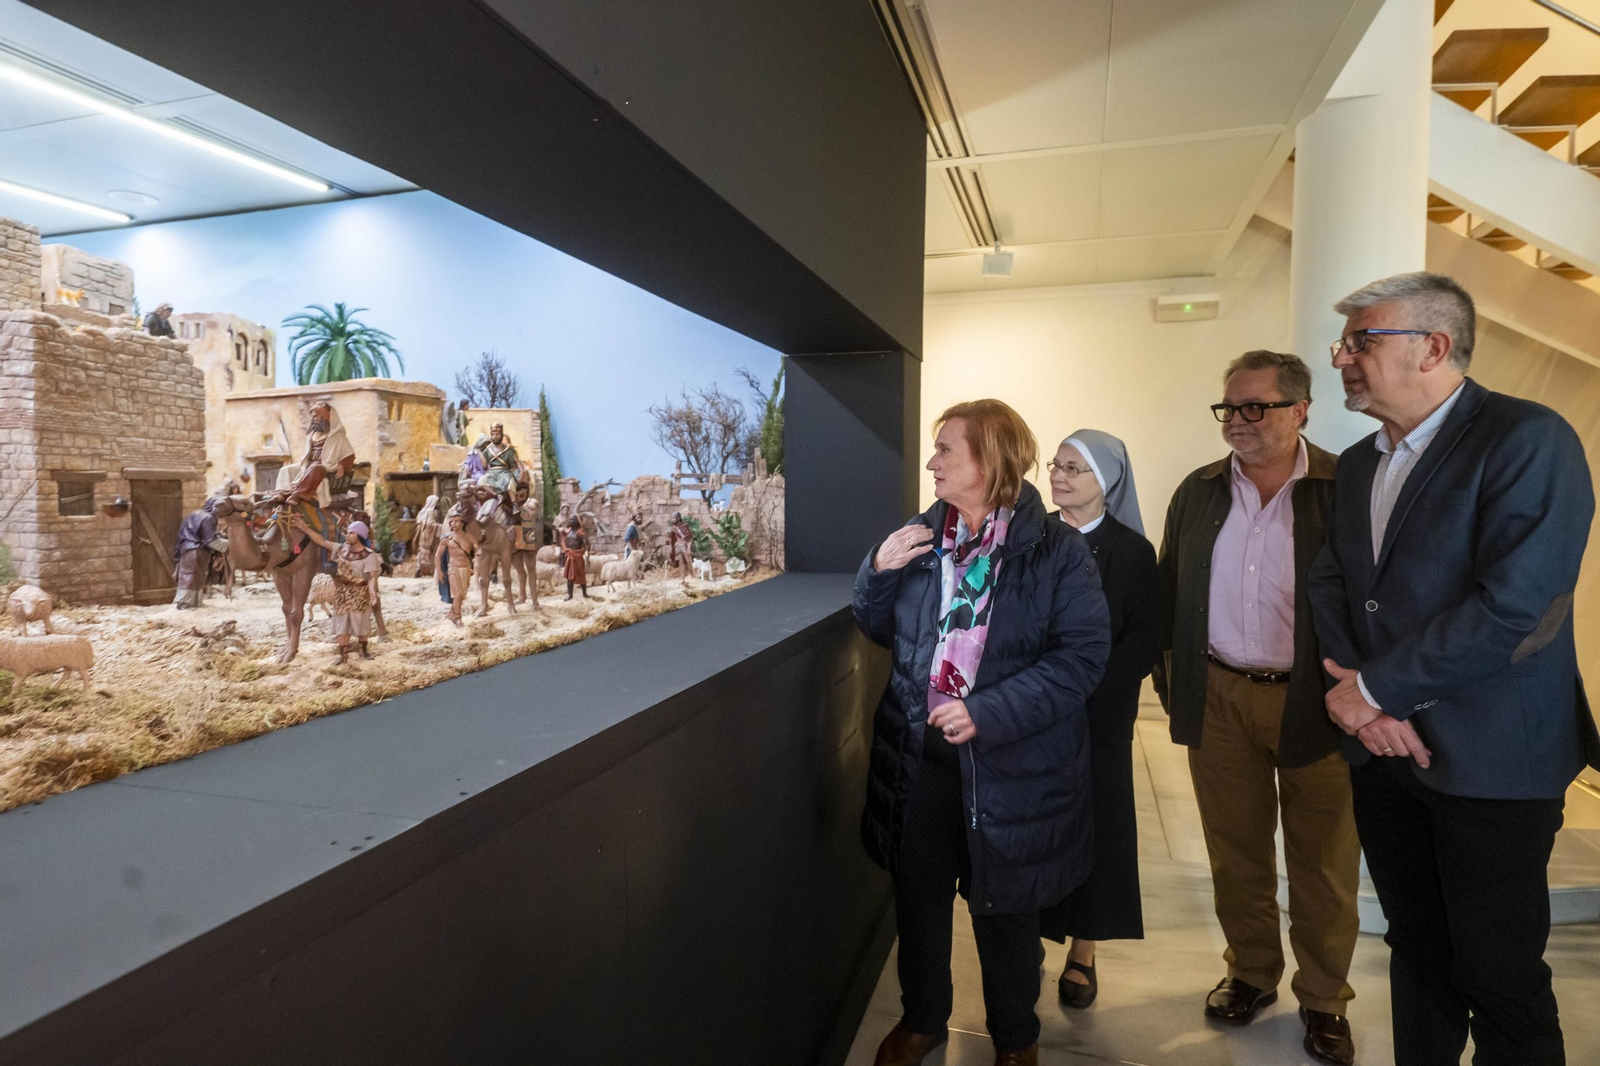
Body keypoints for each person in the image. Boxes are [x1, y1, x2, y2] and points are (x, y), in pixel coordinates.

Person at [1308, 272, 1598, 1066]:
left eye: (1362, 341)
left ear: (1434, 347)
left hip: (1496, 758)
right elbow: (1336, 578)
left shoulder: (1529, 438)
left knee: (1498, 971)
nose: (1342, 358)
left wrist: (1371, 691)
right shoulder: (1366, 462)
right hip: (1387, 755)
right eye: (1347, 343)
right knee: (1419, 952)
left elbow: (1515, 610)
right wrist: (1370, 706)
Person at [854, 399, 1110, 1066]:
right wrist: (875, 574)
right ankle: (922, 1020)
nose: (932, 461)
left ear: (989, 461)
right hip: (918, 760)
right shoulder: (919, 535)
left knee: (1005, 913)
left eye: (946, 449)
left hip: (1011, 767)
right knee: (920, 902)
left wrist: (989, 711)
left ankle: (1016, 1041)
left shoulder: (1058, 551)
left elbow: (1081, 658)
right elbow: (877, 625)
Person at [1152, 351, 1356, 1066]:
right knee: (1235, 852)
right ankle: (1250, 973)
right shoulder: (1199, 492)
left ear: (1300, 409)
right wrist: (1173, 681)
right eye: (1228, 409)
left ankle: (1326, 998)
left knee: (1324, 863)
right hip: (1220, 694)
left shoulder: (1345, 485)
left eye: (1255, 408)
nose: (1237, 422)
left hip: (1319, 701)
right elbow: (1169, 587)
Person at [1037, 430, 1159, 1009]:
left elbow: (1142, 639)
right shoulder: (1029, 540)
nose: (1058, 476)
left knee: (1098, 827)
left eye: (1074, 468)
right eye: (1055, 465)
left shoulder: (1133, 553)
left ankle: (1083, 949)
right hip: (1033, 714)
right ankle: (1029, 933)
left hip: (1099, 714)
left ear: (1107, 480)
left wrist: (1082, 687)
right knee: (1034, 827)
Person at [291, 516, 381, 663]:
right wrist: (305, 529)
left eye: (352, 533)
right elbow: (322, 541)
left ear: (360, 536)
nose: (348, 535)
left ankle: (363, 651)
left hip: (359, 593)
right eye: (348, 532)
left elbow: (372, 576)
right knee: (341, 624)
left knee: (361, 623)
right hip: (342, 593)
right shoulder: (341, 549)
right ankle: (343, 655)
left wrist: (372, 592)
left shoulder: (369, 556)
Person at [172, 498, 227, 609]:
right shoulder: (208, 518)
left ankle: (195, 603)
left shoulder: (196, 514)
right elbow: (211, 541)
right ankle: (184, 603)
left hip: (189, 549)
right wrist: (229, 545)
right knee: (190, 576)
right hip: (195, 550)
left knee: (196, 576)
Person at [436, 514, 478, 626]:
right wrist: (439, 571)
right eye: (451, 522)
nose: (453, 524)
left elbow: (478, 550)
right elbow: (437, 555)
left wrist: (475, 562)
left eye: (456, 521)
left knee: (462, 595)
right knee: (457, 594)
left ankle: (451, 615)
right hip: (453, 568)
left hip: (466, 569)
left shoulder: (469, 537)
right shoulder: (447, 539)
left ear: (462, 523)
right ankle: (458, 618)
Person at [561, 515, 589, 600]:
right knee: (570, 576)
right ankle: (570, 595)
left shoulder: (581, 533)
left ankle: (584, 594)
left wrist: (587, 557)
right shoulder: (567, 531)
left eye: (573, 519)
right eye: (570, 519)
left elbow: (587, 545)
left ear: (577, 521)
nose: (571, 520)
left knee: (581, 574)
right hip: (570, 555)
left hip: (578, 555)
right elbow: (563, 539)